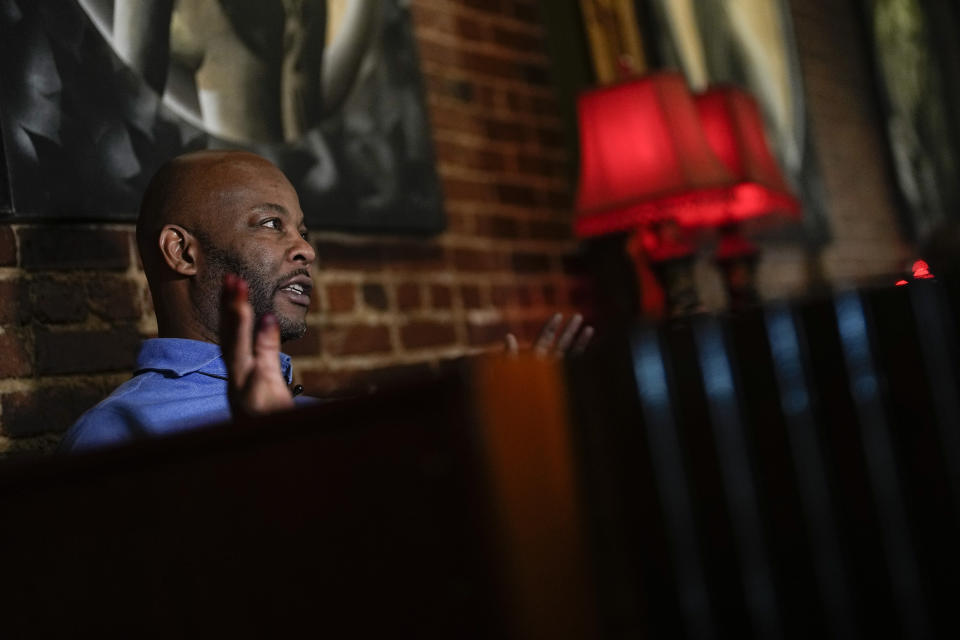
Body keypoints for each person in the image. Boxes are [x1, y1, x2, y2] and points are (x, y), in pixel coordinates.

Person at [60, 150, 591, 453]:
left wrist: (521, 427)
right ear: (182, 252)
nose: (306, 249)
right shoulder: (119, 433)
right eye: (272, 224)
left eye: (303, 230)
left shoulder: (320, 414)